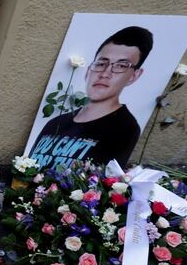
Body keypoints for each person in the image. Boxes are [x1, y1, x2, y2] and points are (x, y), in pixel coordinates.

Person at [29, 26, 153, 168]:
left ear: (133, 76)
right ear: (88, 71)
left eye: (120, 66)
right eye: (101, 63)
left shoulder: (124, 129)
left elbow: (101, 185)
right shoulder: (55, 123)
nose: (105, 73)